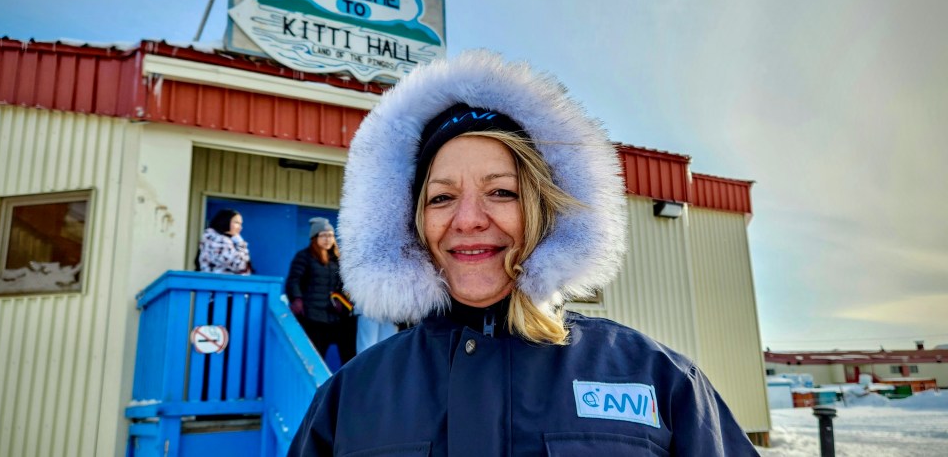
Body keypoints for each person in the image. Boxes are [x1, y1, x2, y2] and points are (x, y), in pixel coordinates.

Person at [288, 52, 759, 456]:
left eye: (502, 192)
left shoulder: (659, 379)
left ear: (544, 211)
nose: (469, 219)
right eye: (441, 197)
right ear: (410, 224)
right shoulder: (348, 399)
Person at [285, 217, 356, 366]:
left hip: (335, 317)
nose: (327, 239)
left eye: (330, 235)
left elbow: (345, 284)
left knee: (349, 356)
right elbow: (294, 280)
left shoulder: (338, 259)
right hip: (313, 317)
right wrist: (297, 299)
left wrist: (344, 301)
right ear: (314, 238)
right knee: (315, 356)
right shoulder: (304, 257)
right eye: (323, 235)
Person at [196, 209, 252, 275]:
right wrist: (240, 244)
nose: (240, 227)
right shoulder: (217, 239)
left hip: (220, 282)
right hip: (220, 283)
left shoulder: (221, 239)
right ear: (225, 221)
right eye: (236, 223)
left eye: (241, 224)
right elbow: (240, 265)